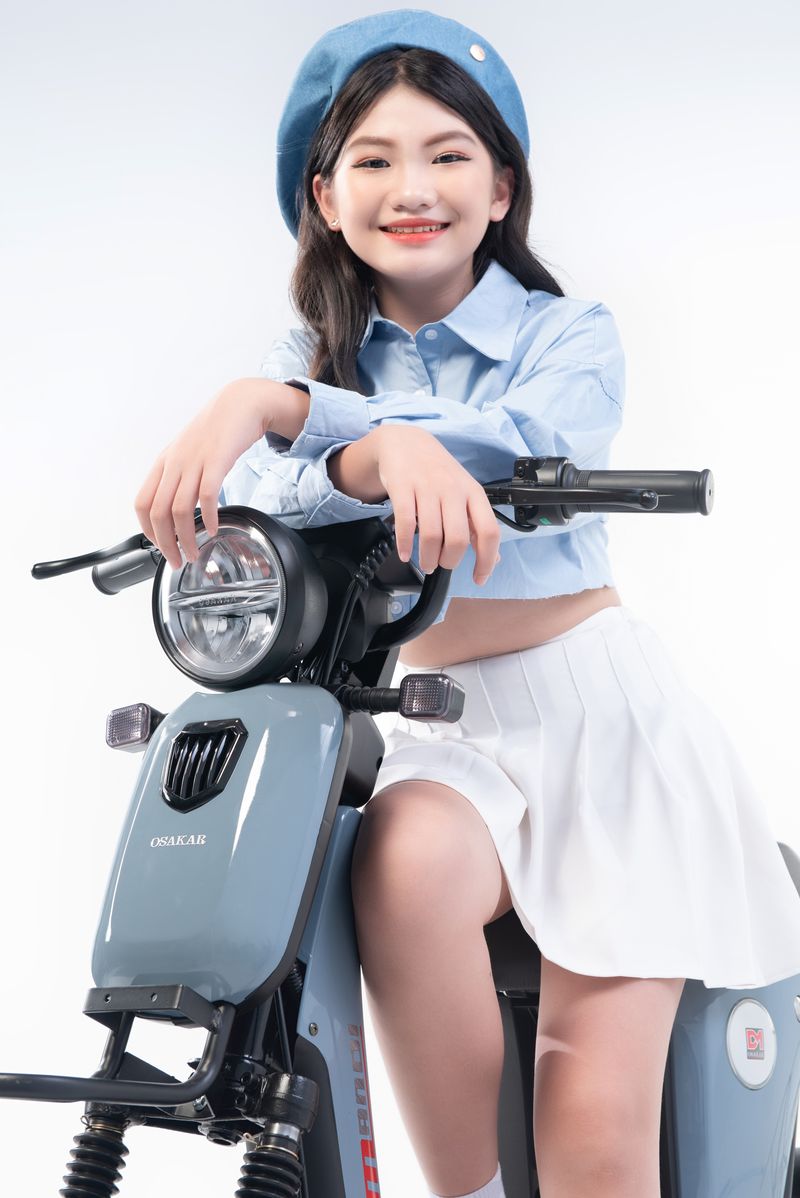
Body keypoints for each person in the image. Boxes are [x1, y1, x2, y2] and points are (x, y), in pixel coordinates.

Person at [133, 11, 800, 1198]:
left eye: (447, 154)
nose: (412, 187)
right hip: (437, 720)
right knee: (399, 860)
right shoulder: (306, 350)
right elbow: (257, 498)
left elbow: (516, 446)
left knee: (587, 1123)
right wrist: (349, 443)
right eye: (373, 160)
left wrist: (301, 416)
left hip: (600, 721)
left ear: (500, 189)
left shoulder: (568, 334)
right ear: (325, 197)